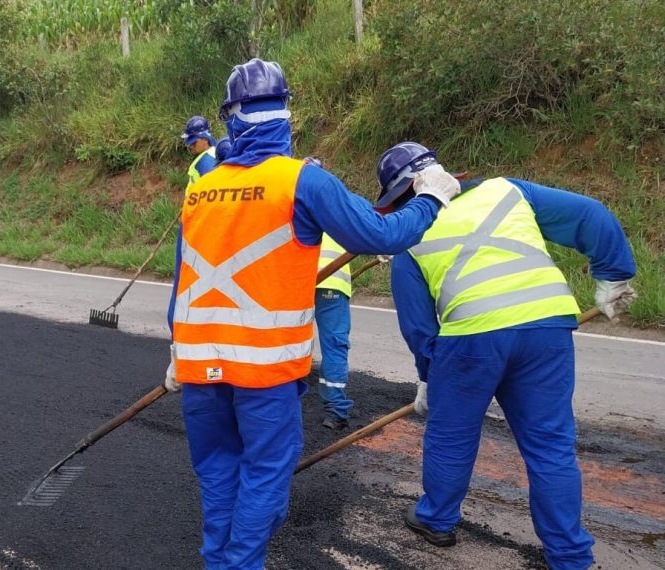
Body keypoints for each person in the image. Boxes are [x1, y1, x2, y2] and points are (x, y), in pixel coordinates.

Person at [163, 59, 460, 570]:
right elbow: (383, 235)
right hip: (264, 371)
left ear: (230, 118)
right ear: (286, 116)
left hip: (197, 367)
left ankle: (220, 560)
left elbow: (182, 278)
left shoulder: (200, 189)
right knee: (265, 476)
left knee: (216, 472)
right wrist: (431, 197)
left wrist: (174, 350)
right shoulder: (302, 181)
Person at [376, 141, 636, 569]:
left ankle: (437, 519)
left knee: (451, 434)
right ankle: (569, 555)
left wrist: (429, 378)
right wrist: (614, 276)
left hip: (472, 338)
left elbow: (420, 329)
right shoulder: (507, 190)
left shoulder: (410, 237)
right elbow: (589, 213)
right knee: (550, 444)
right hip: (546, 326)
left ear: (401, 196)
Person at [302, 157, 356, 430]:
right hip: (332, 284)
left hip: (298, 282)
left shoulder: (294, 199)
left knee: (293, 341)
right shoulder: (338, 200)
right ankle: (336, 411)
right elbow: (364, 230)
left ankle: (288, 396)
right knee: (334, 345)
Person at [181, 115, 219, 187]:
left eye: (194, 142)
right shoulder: (214, 153)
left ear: (205, 139)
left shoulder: (206, 161)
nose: (190, 146)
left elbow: (212, 189)